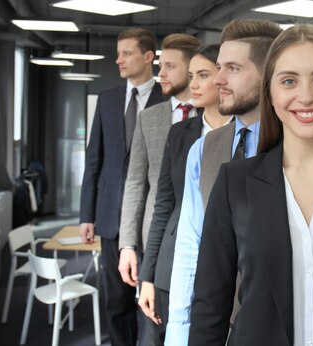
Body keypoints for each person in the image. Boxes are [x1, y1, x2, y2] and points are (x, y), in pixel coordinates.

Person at [188, 24, 313, 346]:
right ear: (270, 94)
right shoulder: (235, 184)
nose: (306, 96)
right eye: (288, 81)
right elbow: (209, 308)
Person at [165, 20, 283, 345]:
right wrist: (178, 330)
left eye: (232, 68)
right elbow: (191, 245)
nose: (218, 79)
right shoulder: (203, 149)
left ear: (268, 74)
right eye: (219, 67)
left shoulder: (298, 151)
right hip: (213, 326)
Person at [137, 44, 231, 344]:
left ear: (224, 78)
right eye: (191, 75)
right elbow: (163, 206)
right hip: (172, 262)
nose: (193, 84)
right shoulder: (179, 135)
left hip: (225, 265)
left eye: (203, 75)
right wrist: (147, 277)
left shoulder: (248, 136)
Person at [79, 28, 167, 346]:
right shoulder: (107, 99)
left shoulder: (168, 99)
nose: (118, 60)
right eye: (118, 53)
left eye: (126, 53)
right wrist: (86, 215)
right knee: (115, 302)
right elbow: (94, 160)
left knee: (150, 304)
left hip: (152, 219)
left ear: (148, 56)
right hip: (110, 219)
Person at [115, 32, 201, 345]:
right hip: (155, 244)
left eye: (169, 66)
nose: (160, 73)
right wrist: (127, 244)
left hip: (202, 246)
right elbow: (136, 183)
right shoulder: (149, 118)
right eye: (160, 65)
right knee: (150, 331)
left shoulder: (218, 117)